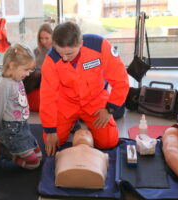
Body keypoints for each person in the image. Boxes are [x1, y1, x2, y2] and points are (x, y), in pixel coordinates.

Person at [40, 21, 129, 156]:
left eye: (69, 54)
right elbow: (48, 96)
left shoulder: (100, 46)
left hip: (94, 101)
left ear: (80, 44)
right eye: (60, 53)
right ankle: (74, 127)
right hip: (66, 103)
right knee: (51, 141)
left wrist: (110, 109)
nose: (64, 58)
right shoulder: (51, 59)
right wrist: (50, 130)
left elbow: (121, 80)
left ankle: (81, 128)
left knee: (109, 142)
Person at [0, 43, 42, 169]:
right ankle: (4, 151)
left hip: (22, 127)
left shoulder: (18, 79)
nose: (28, 74)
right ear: (12, 65)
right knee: (34, 164)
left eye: (30, 70)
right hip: (11, 130)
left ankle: (6, 147)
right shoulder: (4, 85)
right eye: (25, 70)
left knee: (39, 156)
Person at [23, 23, 53, 94]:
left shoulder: (57, 51)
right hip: (35, 77)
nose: (44, 41)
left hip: (48, 78)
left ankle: (22, 95)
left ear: (53, 37)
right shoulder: (36, 51)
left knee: (36, 75)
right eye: (41, 38)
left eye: (46, 38)